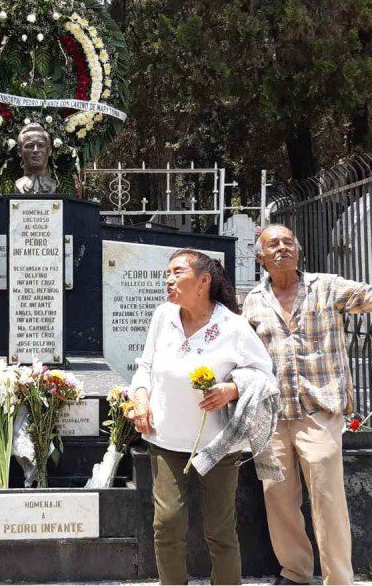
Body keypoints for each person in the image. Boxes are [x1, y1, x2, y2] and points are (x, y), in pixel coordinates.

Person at [128, 249, 278, 585]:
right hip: (165, 437)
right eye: (167, 273)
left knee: (220, 530)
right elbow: (147, 366)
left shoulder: (233, 326)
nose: (168, 279)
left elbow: (265, 376)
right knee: (167, 523)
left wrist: (231, 389)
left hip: (219, 445)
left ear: (204, 281)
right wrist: (140, 397)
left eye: (177, 272)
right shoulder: (163, 316)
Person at [243, 224, 372, 585]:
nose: (282, 248)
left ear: (298, 251)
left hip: (319, 410)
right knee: (278, 497)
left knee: (328, 499)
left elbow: (367, 296)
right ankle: (295, 571)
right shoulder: (253, 300)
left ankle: (339, 578)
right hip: (270, 415)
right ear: (260, 257)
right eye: (273, 244)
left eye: (288, 242)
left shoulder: (326, 286)